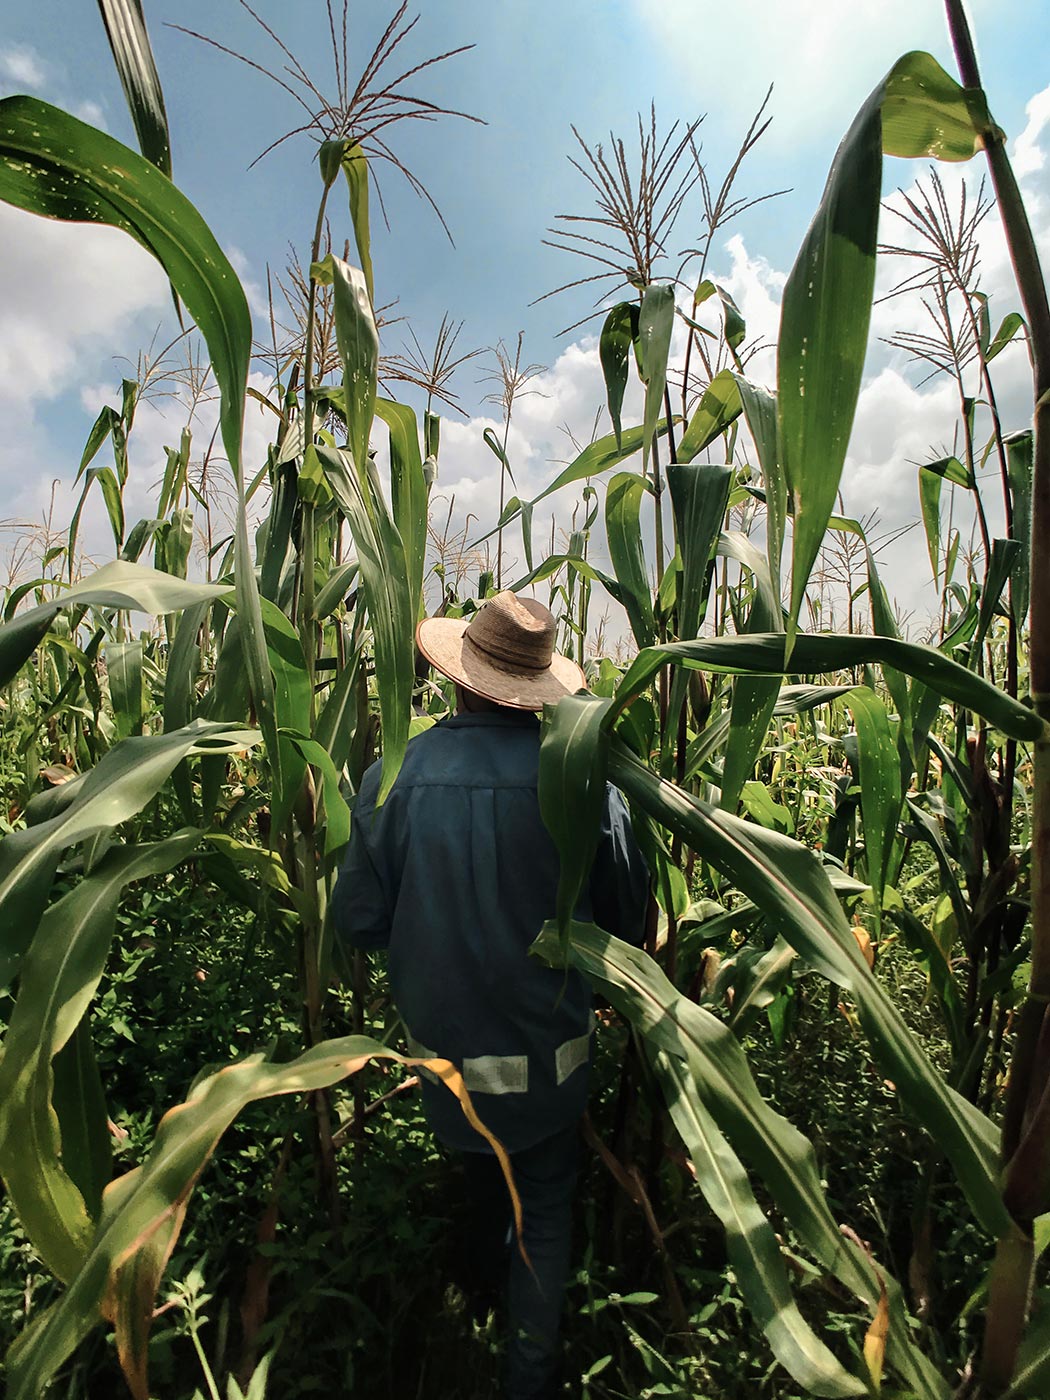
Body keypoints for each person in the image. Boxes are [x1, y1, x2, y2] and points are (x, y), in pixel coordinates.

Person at [332, 590, 649, 1400]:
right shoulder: (581, 784)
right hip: (551, 1067)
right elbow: (628, 927)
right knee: (541, 1212)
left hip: (449, 1074)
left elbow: (360, 922)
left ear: (458, 677)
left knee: (481, 1174)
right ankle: (526, 1377)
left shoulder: (390, 778)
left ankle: (471, 1304)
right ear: (540, 686)